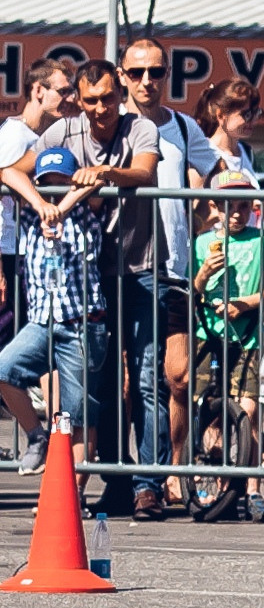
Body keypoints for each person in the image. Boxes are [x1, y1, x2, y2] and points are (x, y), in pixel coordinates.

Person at [27, 59, 160, 518]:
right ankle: (113, 482)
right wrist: (43, 206)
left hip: (139, 267)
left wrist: (104, 175)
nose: (100, 108)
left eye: (107, 98)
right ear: (78, 102)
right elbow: (14, 170)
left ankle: (148, 485)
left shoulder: (139, 128)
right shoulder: (64, 132)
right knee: (99, 385)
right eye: (90, 101)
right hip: (87, 279)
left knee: (144, 379)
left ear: (118, 95)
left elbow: (143, 173)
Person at [109, 39, 218, 521]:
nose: (147, 81)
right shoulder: (108, 122)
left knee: (166, 378)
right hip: (112, 267)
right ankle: (122, 479)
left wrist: (221, 199)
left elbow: (223, 172)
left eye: (156, 71)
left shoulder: (183, 125)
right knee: (117, 381)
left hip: (170, 269)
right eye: (136, 73)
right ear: (121, 74)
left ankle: (152, 481)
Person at [0, 147, 106, 481]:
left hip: (80, 324)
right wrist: (40, 204)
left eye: (62, 182)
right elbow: (8, 173)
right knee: (4, 369)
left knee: (77, 415)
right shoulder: (31, 216)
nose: (54, 189)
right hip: (42, 322)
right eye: (47, 183)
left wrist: (61, 207)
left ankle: (70, 495)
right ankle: (36, 436)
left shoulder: (86, 214)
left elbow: (97, 180)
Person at [189, 170, 264, 523]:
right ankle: (209, 480)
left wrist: (245, 303)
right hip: (210, 336)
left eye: (245, 206)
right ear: (215, 207)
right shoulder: (202, 244)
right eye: (230, 207)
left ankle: (253, 490)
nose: (238, 214)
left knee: (249, 411)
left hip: (249, 337)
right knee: (211, 410)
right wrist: (203, 275)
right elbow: (193, 291)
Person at [0, 55, 78, 339]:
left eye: (71, 91)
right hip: (9, 255)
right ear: (37, 91)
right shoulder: (15, 136)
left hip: (28, 254)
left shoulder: (42, 136)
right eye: (63, 90)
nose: (69, 98)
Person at [196, 78, 260, 180]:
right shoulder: (203, 152)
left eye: (256, 113)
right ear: (221, 115)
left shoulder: (247, 151)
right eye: (246, 114)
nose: (252, 120)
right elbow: (197, 194)